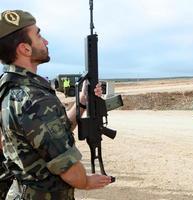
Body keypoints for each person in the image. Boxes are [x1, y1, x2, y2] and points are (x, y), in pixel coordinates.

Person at [0, 10, 111, 199]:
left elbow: (51, 132)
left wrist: (82, 101)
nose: (45, 42)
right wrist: (86, 181)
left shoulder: (10, 88)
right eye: (38, 35)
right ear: (25, 49)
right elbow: (70, 171)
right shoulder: (35, 99)